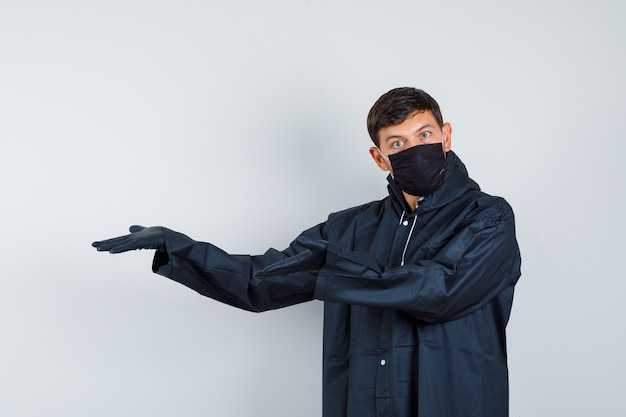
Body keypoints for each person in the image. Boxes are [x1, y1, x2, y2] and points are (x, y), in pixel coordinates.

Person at [93, 87, 522, 417]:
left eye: (424, 135)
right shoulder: (348, 228)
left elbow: (441, 289)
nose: (413, 150)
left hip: (455, 401)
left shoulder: (489, 218)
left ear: (445, 136)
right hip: (365, 402)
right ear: (379, 158)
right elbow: (262, 281)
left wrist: (328, 270)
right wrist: (182, 248)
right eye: (398, 144)